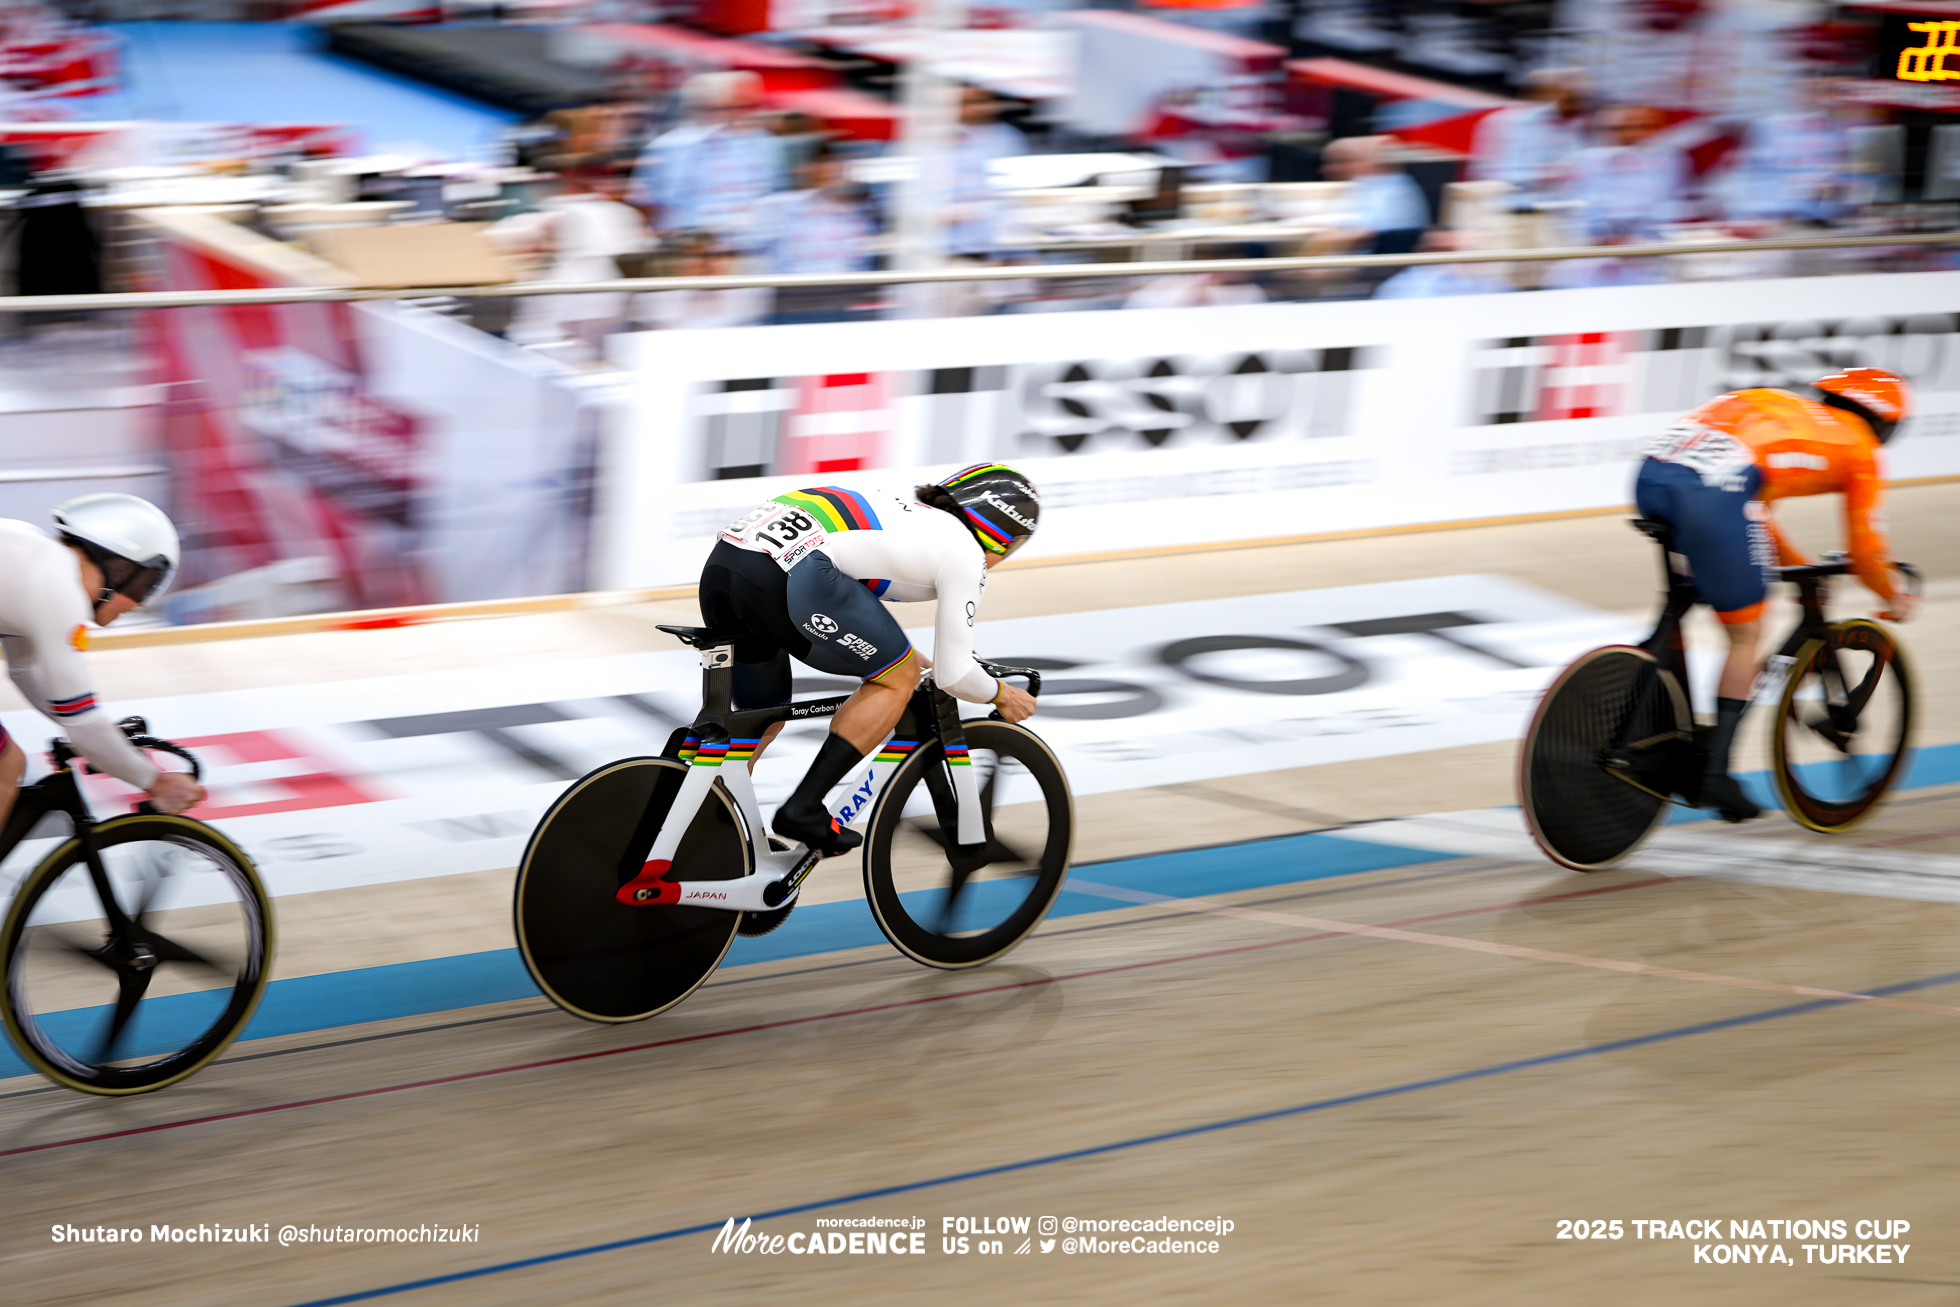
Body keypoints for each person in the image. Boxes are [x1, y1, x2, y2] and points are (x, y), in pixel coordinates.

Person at [671, 466, 1040, 863]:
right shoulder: (966, 553)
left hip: (726, 568)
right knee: (896, 681)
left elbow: (850, 593)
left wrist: (904, 655)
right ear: (1003, 536)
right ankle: (805, 808)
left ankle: (689, 822)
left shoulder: (904, 512)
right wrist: (1001, 693)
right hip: (790, 578)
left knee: (760, 716)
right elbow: (954, 675)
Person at [1632, 368, 1915, 822]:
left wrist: (1797, 564)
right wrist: (1894, 593)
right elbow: (1866, 551)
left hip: (1651, 477)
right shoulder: (1860, 447)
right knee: (1746, 633)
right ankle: (1713, 772)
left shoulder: (1785, 407)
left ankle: (1646, 684)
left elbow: (1754, 511)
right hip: (1713, 495)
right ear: (1884, 424)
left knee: (1694, 593)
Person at [0, 493, 205, 833]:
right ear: (119, 565)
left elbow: (26, 672)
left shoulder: (41, 565)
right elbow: (79, 721)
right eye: (146, 585)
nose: (140, 603)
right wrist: (156, 782)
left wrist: (105, 739)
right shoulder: (60, 593)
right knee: (6, 766)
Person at [628, 70, 786, 254]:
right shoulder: (669, 147)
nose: (747, 113)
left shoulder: (768, 144)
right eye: (737, 105)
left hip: (754, 252)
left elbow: (777, 199)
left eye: (752, 105)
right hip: (689, 252)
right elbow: (645, 206)